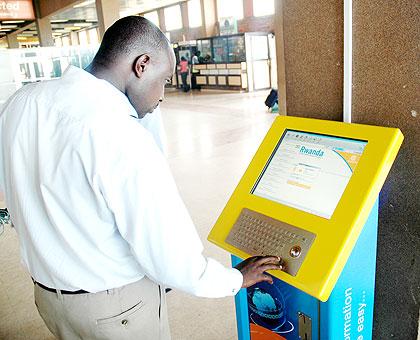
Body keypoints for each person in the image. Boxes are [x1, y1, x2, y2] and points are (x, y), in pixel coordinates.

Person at [0, 16, 283, 340]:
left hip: (50, 300)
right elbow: (172, 258)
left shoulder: (21, 104)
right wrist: (234, 279)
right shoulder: (119, 134)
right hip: (115, 313)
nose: (162, 94)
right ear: (142, 65)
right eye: (163, 79)